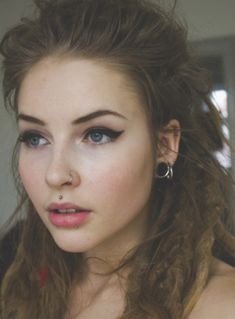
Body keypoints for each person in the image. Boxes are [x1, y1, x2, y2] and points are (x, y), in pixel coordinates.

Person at [1, 0, 235, 318]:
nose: (55, 175)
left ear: (164, 145)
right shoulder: (15, 279)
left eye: (97, 134)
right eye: (36, 138)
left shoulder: (219, 305)